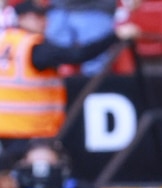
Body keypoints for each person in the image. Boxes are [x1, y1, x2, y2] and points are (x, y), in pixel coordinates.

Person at [0, 0, 139, 147]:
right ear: (22, 19)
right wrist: (114, 36)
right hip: (28, 129)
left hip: (6, 127)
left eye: (44, 17)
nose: (44, 22)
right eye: (37, 17)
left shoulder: (6, 40)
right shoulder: (34, 47)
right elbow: (77, 55)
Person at [44, 0, 140, 76]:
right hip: (59, 9)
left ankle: (95, 95)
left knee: (95, 65)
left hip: (96, 9)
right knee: (55, 60)